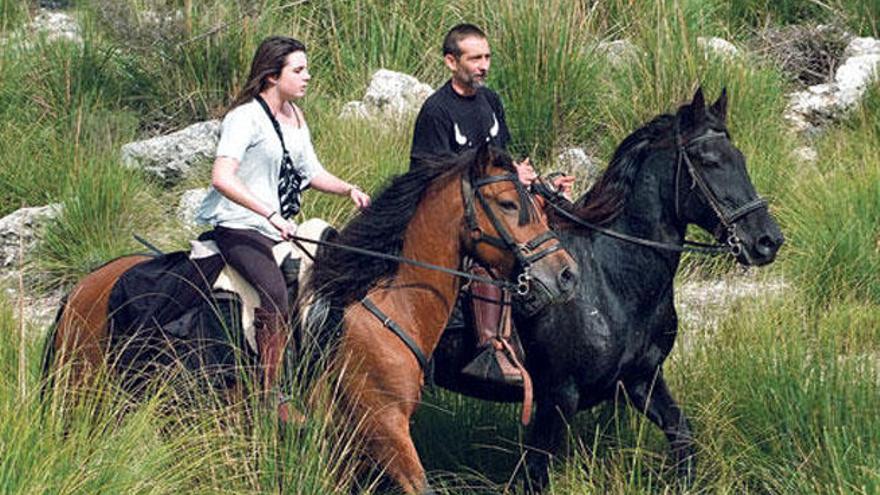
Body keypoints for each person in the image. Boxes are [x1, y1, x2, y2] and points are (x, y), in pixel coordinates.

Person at [196, 36, 370, 420]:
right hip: (239, 226)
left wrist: (348, 189)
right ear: (272, 75)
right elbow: (222, 177)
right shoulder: (244, 118)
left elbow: (310, 172)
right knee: (274, 291)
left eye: (306, 69)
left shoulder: (295, 115)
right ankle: (271, 394)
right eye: (299, 70)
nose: (307, 76)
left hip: (278, 228)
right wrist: (269, 214)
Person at [409, 24, 573, 387]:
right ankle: (492, 348)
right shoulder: (436, 111)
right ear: (451, 62)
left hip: (496, 203)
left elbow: (502, 162)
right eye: (475, 58)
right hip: (457, 217)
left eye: (487, 57)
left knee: (558, 219)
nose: (484, 65)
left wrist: (536, 181)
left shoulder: (491, 101)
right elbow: (426, 177)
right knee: (494, 256)